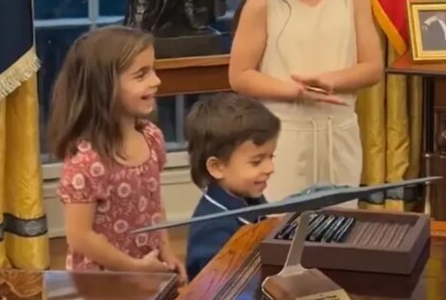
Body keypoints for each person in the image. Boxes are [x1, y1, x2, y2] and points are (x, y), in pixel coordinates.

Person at [228, 0, 383, 202]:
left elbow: (373, 68)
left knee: (340, 231)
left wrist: (330, 81)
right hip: (282, 142)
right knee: (283, 234)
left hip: (341, 138)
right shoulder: (263, 3)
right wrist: (295, 91)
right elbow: (240, 75)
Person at [50, 26, 186, 281]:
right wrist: (132, 267)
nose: (156, 81)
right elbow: (79, 237)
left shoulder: (152, 137)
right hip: (101, 285)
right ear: (104, 86)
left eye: (153, 70)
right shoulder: (87, 160)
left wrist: (166, 252)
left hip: (147, 273)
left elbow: (155, 206)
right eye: (141, 74)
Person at [184, 93, 280, 280]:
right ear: (217, 167)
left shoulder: (251, 199)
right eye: (256, 161)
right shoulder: (212, 231)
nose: (270, 168)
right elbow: (219, 292)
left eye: (271, 157)